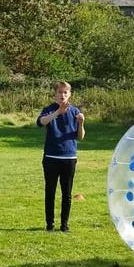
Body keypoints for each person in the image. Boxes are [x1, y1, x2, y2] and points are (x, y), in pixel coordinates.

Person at [36, 81, 85, 232]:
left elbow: (80, 137)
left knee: (67, 194)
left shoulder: (75, 111)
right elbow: (40, 122)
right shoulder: (49, 109)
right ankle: (49, 225)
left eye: (65, 92)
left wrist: (81, 123)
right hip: (51, 157)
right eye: (59, 92)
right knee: (50, 192)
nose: (62, 95)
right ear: (55, 94)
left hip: (69, 158)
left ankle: (64, 226)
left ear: (69, 94)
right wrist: (58, 112)